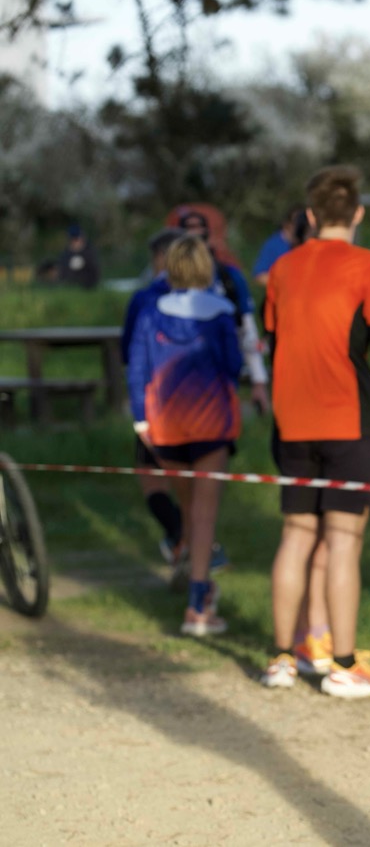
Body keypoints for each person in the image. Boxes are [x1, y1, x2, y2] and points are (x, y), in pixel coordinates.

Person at [258, 165, 370, 697]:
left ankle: (282, 658)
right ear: (358, 213)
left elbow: (274, 337)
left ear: (311, 215)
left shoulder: (282, 267)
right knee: (344, 541)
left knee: (296, 536)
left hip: (292, 421)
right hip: (347, 419)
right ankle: (343, 664)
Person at [126, 234, 242, 636]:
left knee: (187, 507)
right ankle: (198, 604)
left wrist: (140, 421)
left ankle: (191, 578)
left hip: (165, 426)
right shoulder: (222, 312)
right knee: (204, 514)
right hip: (211, 424)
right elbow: (233, 366)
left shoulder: (149, 311)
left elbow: (136, 368)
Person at [121, 228, 185, 572]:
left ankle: (181, 536)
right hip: (200, 405)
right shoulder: (209, 295)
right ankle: (189, 543)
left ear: (160, 258)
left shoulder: (145, 300)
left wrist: (139, 415)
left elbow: (129, 354)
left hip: (156, 401)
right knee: (193, 483)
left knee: (151, 477)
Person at [176, 209, 271, 415]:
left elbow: (246, 329)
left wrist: (259, 380)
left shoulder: (229, 278)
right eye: (188, 230)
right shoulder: (166, 284)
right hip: (178, 384)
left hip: (221, 381)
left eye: (199, 230)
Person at [252, 205, 310, 286]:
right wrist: (285, 283)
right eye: (296, 222)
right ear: (287, 224)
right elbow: (259, 275)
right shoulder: (274, 244)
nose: (299, 227)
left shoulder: (306, 247)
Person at [56, 224, 101, 289]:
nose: (75, 242)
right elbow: (63, 272)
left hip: (87, 284)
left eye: (77, 239)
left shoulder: (89, 252)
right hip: (71, 285)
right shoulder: (66, 254)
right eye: (73, 239)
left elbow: (95, 272)